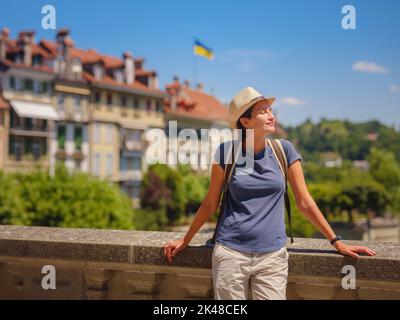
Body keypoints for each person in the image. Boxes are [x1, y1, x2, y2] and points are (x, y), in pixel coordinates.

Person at [163, 86, 376, 300]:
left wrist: (336, 241)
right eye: (263, 111)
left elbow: (304, 202)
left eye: (270, 110)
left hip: (272, 257)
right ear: (245, 122)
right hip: (231, 254)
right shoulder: (226, 153)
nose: (271, 116)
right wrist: (186, 240)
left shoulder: (284, 151)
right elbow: (210, 203)